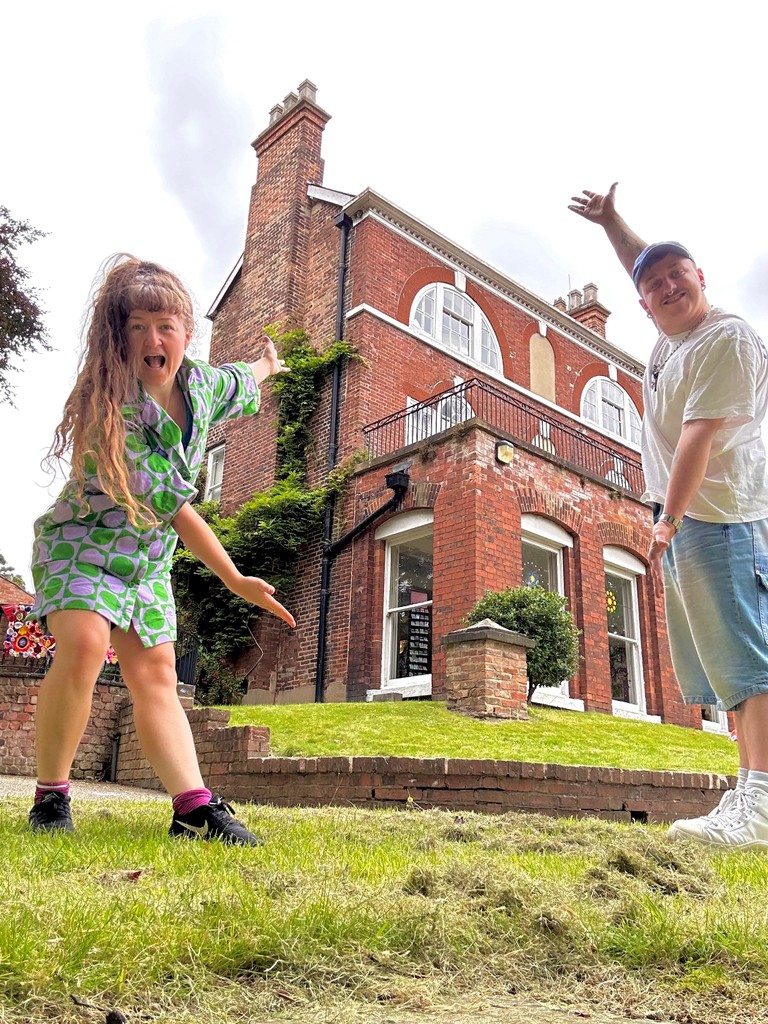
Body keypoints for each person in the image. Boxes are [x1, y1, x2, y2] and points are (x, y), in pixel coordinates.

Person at [28, 254, 296, 845]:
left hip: (145, 562)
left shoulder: (204, 385)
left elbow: (244, 378)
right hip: (82, 545)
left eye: (166, 326)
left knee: (157, 672)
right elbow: (179, 510)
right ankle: (51, 796)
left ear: (186, 333)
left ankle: (192, 809)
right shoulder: (111, 413)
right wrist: (234, 579)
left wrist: (267, 364)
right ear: (118, 337)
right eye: (138, 327)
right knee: (86, 642)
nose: (154, 340)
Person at [570, 184, 768, 849]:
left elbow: (697, 437)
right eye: (655, 286)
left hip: (721, 514)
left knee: (749, 659)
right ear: (643, 303)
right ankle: (749, 794)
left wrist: (668, 520)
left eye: (678, 275)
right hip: (693, 518)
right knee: (726, 667)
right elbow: (642, 263)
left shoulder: (725, 338)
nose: (667, 287)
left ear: (701, 276)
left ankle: (764, 803)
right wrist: (611, 222)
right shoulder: (667, 335)